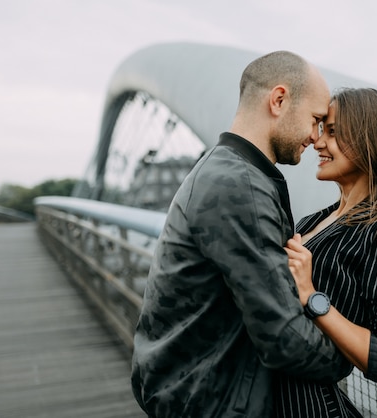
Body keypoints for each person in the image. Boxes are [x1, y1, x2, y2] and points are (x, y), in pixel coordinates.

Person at [131, 51, 353, 418]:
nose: (315, 138)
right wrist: (350, 358)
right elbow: (282, 337)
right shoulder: (240, 186)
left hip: (187, 389)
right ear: (279, 100)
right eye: (315, 120)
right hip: (210, 400)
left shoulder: (221, 167)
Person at [274, 88, 377, 417]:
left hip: (306, 406)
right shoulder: (313, 220)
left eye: (333, 132)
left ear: (368, 139)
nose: (317, 142)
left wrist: (310, 295)